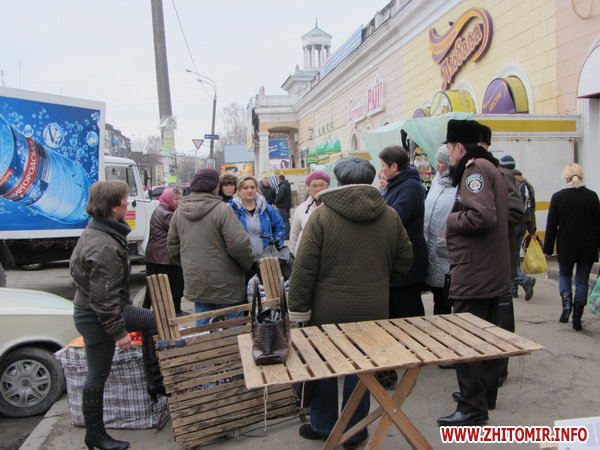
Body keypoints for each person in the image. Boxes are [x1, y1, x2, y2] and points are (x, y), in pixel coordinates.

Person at [288, 157, 413, 449]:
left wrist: (298, 310)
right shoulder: (390, 215)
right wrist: (379, 278)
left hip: (327, 309)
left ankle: (323, 425)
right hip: (374, 307)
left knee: (325, 365)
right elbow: (405, 260)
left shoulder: (321, 216)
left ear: (339, 181)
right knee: (363, 369)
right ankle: (355, 430)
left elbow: (304, 269)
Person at [70, 180, 165, 450]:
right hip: (97, 316)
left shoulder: (100, 231)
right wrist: (118, 332)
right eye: (125, 198)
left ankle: (155, 383)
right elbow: (103, 297)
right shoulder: (104, 246)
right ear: (114, 207)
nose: (128, 202)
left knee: (155, 322)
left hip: (98, 309)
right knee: (97, 375)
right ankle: (95, 435)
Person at [437, 119, 510, 427]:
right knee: (487, 336)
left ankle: (471, 406)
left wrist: (451, 221)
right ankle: (484, 396)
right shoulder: (488, 166)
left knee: (466, 338)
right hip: (488, 269)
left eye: (449, 148)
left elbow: (481, 216)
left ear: (459, 147)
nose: (448, 154)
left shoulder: (474, 169)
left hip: (475, 270)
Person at [167, 169, 255, 326]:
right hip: (227, 282)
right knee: (233, 328)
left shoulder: (180, 211)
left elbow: (172, 246)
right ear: (216, 187)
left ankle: (204, 343)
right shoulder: (222, 209)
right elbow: (239, 245)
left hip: (197, 280)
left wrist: (190, 264)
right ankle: (231, 344)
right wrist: (247, 264)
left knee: (203, 326)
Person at [543, 163, 600, 331]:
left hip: (566, 245)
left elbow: (551, 226)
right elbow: (599, 225)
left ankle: (567, 303)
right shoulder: (592, 197)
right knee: (582, 280)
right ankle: (577, 315)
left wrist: (547, 249)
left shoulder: (558, 197)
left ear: (565, 177)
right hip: (588, 246)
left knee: (565, 275)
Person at [378, 145, 428, 318]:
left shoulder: (410, 187)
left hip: (409, 262)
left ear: (394, 166)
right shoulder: (395, 184)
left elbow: (396, 216)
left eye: (383, 166)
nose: (381, 170)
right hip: (398, 260)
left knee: (408, 312)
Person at [230, 175, 286, 281]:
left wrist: (276, 244)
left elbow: (279, 227)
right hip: (242, 262)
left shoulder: (267, 208)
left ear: (257, 189)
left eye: (252, 187)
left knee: (266, 289)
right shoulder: (231, 209)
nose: (249, 190)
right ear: (239, 190)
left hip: (266, 260)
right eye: (245, 188)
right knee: (245, 289)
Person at [423, 145, 456, 315]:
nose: (438, 165)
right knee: (439, 296)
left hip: (448, 248)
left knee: (447, 296)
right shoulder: (437, 181)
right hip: (433, 246)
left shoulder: (459, 185)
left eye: (441, 162)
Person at [142, 188, 185, 315]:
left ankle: (145, 311)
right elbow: (180, 229)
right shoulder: (166, 213)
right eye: (175, 199)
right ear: (168, 199)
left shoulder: (163, 210)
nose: (178, 201)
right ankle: (171, 312)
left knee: (154, 286)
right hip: (163, 257)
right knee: (171, 285)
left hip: (158, 256)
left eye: (180, 199)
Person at [499, 155, 537, 300]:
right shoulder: (527, 183)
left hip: (512, 223)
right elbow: (532, 208)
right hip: (523, 224)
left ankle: (524, 280)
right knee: (514, 255)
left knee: (510, 256)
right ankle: (513, 290)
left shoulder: (506, 181)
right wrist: (532, 230)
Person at [289, 170, 330, 255]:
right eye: (314, 186)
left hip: (328, 253)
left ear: (327, 187)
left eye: (321, 185)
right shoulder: (301, 208)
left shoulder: (333, 206)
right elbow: (294, 234)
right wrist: (292, 253)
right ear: (310, 189)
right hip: (306, 253)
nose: (318, 189)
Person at [274, 174, 292, 239]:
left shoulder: (282, 187)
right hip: (286, 205)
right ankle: (288, 234)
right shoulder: (287, 185)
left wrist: (275, 202)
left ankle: (286, 235)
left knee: (284, 221)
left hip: (282, 206)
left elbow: (280, 196)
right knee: (286, 220)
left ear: (280, 179)